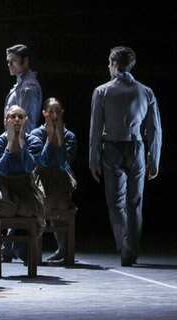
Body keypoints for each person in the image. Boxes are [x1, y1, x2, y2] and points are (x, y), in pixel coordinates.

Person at [89, 46, 162, 267]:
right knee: (135, 201)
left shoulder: (102, 91)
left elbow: (95, 128)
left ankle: (125, 246)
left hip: (112, 148)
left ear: (113, 63)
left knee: (116, 201)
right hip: (137, 146)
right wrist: (154, 159)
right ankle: (132, 247)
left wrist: (94, 159)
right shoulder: (146, 91)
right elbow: (154, 129)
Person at [0, 105, 45, 263]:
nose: (16, 120)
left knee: (34, 214)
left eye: (20, 116)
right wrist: (10, 145)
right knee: (1, 211)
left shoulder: (34, 142)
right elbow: (3, 169)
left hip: (25, 187)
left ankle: (13, 244)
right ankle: (6, 246)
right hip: (2, 187)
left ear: (26, 120)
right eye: (12, 116)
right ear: (6, 120)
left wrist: (21, 143)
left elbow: (29, 167)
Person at [31, 97, 78, 263]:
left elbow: (62, 163)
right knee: (46, 202)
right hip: (40, 178)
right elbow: (41, 162)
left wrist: (59, 136)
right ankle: (26, 250)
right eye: (51, 111)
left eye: (58, 111)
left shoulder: (69, 136)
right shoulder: (36, 134)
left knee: (62, 204)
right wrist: (50, 139)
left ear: (62, 112)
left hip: (61, 179)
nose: (54, 114)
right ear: (44, 113)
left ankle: (64, 248)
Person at [4, 44, 42, 133]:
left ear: (25, 61)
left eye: (13, 60)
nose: (9, 64)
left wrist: (20, 144)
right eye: (8, 61)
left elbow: (28, 125)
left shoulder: (28, 88)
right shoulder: (21, 85)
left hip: (21, 144)